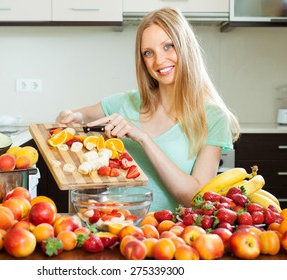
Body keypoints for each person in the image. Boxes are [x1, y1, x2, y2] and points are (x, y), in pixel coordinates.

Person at [56, 7, 241, 212]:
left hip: (168, 238)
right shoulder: (125, 103)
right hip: (114, 230)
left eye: (168, 46)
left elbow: (194, 198)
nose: (159, 60)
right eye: (148, 53)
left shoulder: (213, 118)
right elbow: (80, 115)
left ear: (185, 47)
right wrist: (69, 116)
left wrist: (143, 139)